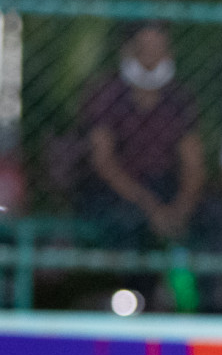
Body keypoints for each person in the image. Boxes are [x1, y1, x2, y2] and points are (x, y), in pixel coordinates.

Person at [81, 22, 206, 254]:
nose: (152, 57)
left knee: (212, 220)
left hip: (166, 187)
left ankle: (205, 289)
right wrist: (151, 208)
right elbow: (103, 162)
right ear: (128, 51)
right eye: (144, 49)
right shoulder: (106, 96)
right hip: (119, 192)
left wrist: (182, 206)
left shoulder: (180, 99)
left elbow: (193, 163)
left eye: (159, 49)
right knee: (129, 225)